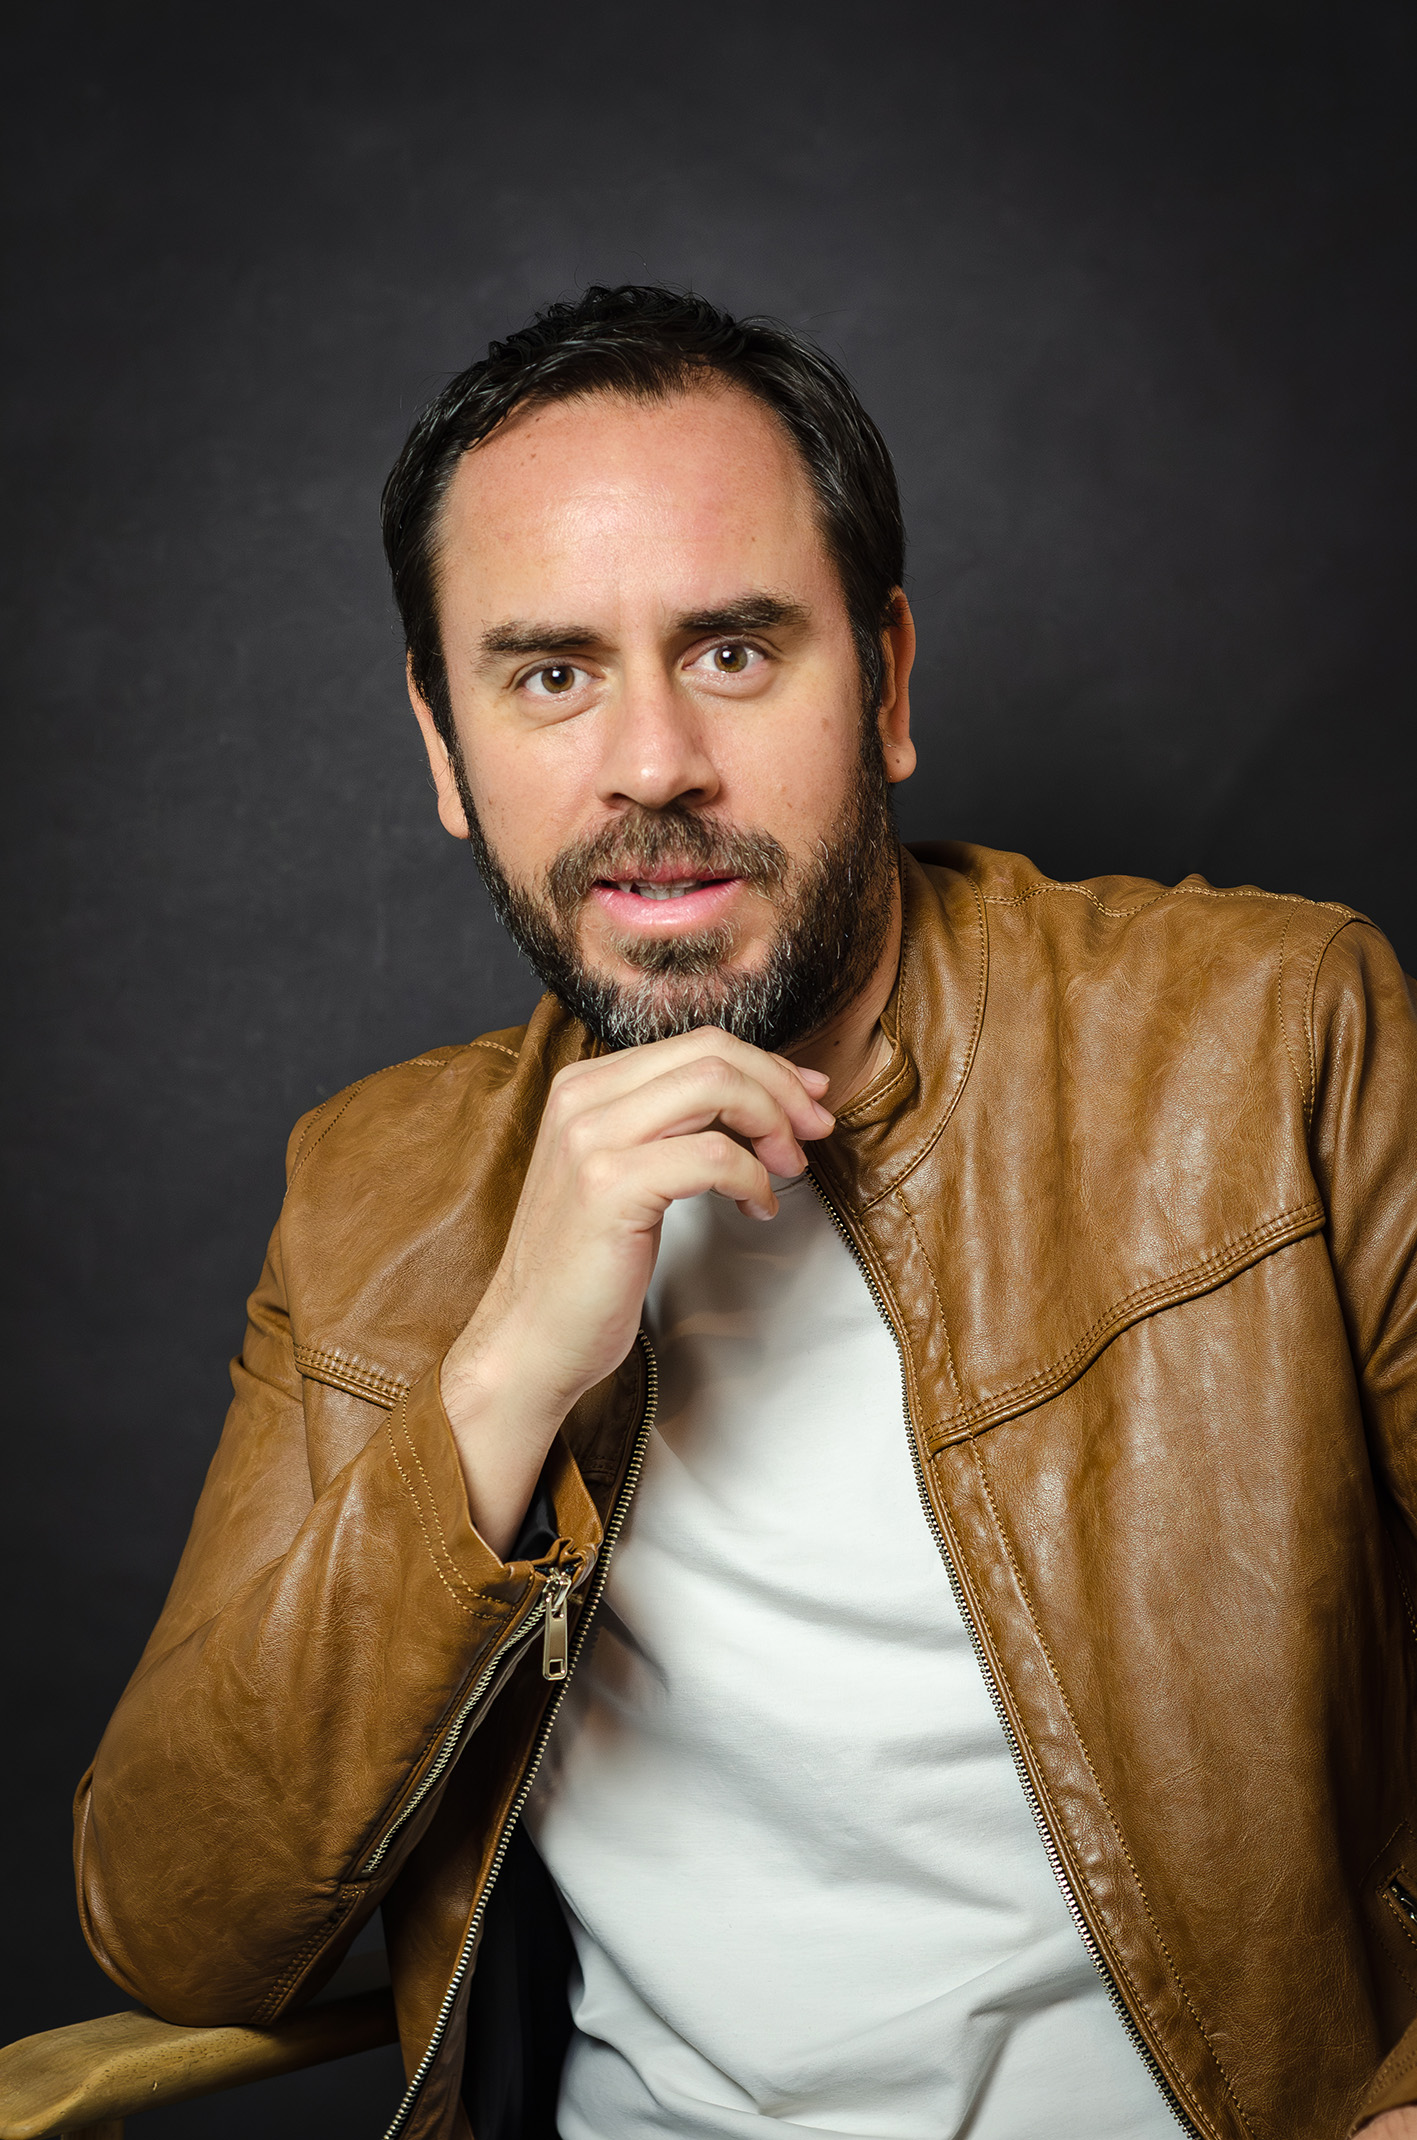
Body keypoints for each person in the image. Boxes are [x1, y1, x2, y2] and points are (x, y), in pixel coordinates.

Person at [74, 285, 1417, 2140]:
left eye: (730, 651)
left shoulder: (1270, 1041)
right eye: (548, 673)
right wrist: (499, 1378)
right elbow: (177, 1926)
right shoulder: (371, 1194)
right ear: (444, 747)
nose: (648, 767)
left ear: (887, 680)